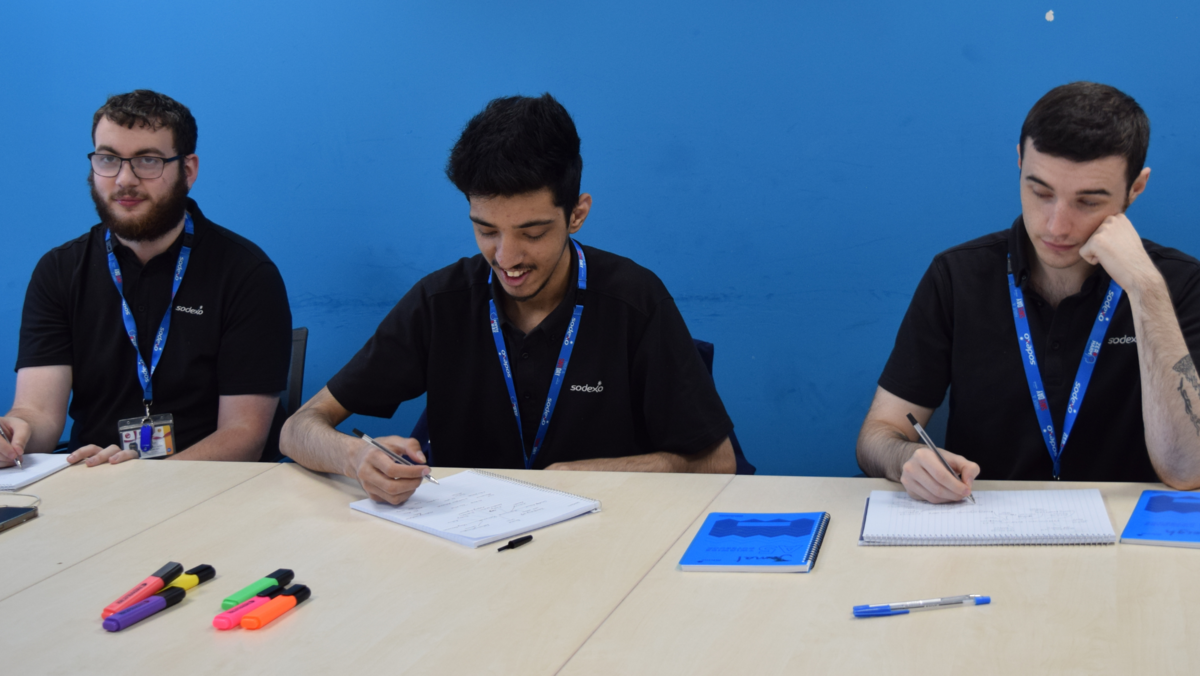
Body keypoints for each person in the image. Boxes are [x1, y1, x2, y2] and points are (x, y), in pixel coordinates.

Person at [281, 93, 736, 504]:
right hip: (467, 546)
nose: (507, 257)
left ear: (577, 214)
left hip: (606, 541)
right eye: (486, 230)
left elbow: (718, 462)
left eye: (532, 232)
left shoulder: (634, 300)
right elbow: (297, 428)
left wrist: (584, 476)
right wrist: (354, 457)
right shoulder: (442, 301)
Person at [857, 82, 1200, 502]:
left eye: (1088, 201)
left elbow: (1189, 470)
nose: (1057, 226)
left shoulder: (1181, 285)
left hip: (1129, 542)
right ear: (1019, 161)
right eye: (1040, 192)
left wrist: (1146, 291)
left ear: (1136, 188)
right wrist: (905, 459)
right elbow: (878, 435)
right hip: (984, 530)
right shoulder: (957, 276)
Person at [0, 90, 292, 469]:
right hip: (95, 481)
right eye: (108, 159)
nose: (124, 180)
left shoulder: (246, 274)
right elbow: (38, 414)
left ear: (187, 171)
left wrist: (146, 482)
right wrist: (13, 433)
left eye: (147, 161)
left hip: (212, 492)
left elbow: (243, 437)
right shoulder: (58, 271)